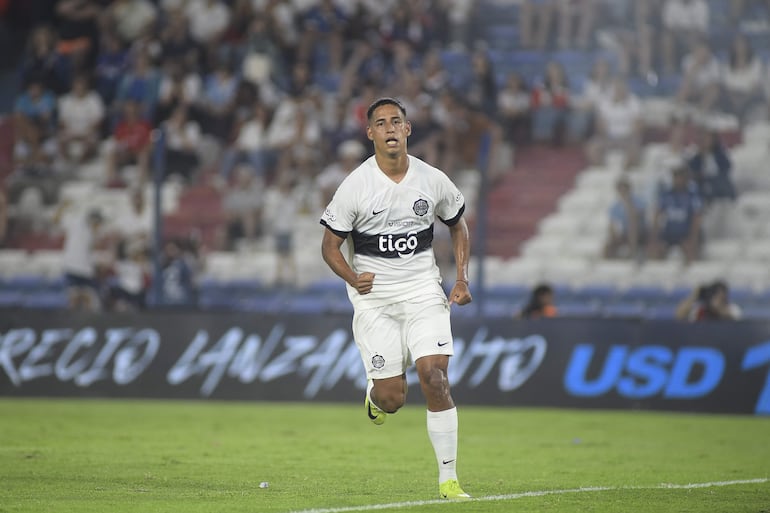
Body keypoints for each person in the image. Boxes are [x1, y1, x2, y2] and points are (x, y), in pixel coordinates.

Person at [319, 97, 472, 501]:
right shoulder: (356, 186)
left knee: (435, 377)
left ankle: (449, 480)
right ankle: (375, 396)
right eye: (381, 123)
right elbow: (330, 246)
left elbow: (458, 225)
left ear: (407, 129)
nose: (389, 128)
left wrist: (461, 278)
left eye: (396, 121)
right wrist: (354, 278)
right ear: (370, 133)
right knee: (392, 399)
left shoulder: (431, 179)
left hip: (424, 290)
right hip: (376, 301)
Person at [675, 280, 742, 321]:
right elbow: (679, 316)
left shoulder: (733, 308)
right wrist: (694, 296)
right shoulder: (700, 310)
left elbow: (735, 322)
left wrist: (719, 309)